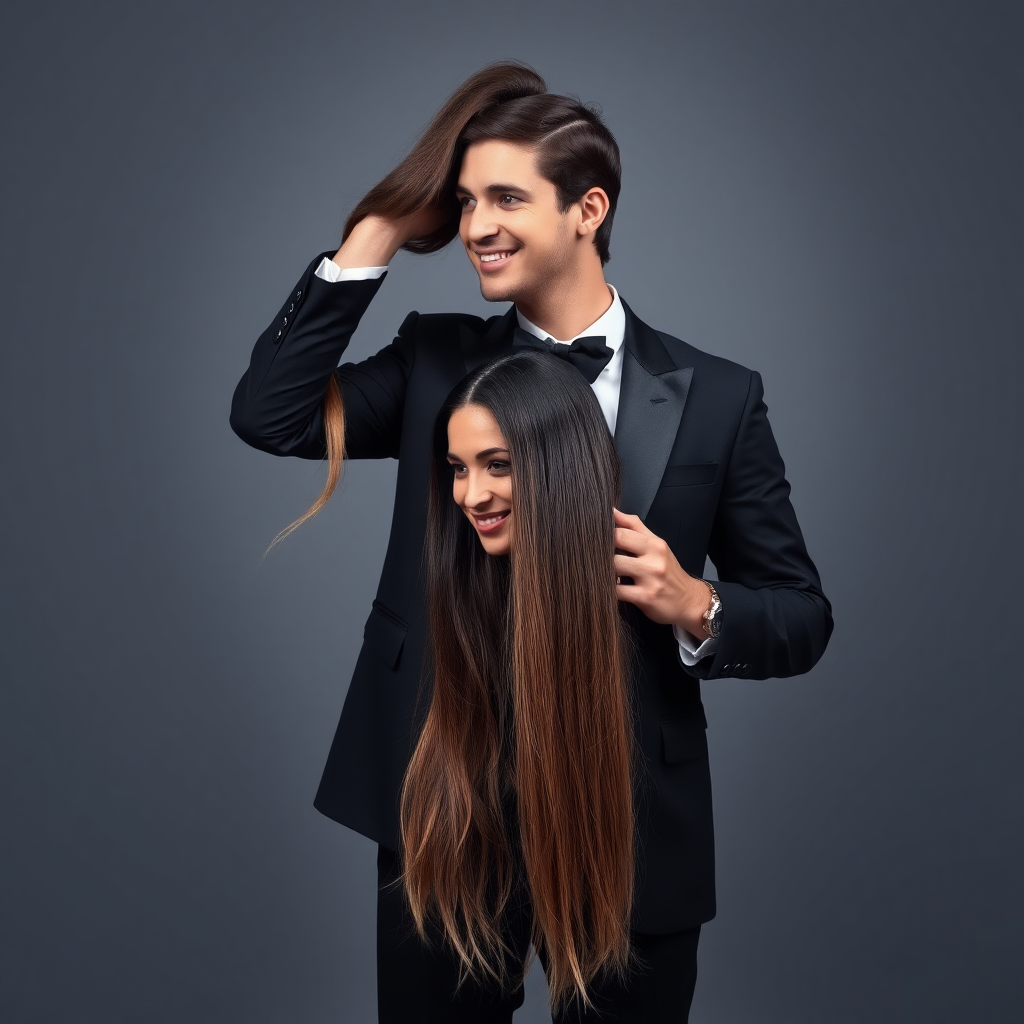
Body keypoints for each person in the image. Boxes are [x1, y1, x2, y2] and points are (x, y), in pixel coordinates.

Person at [230, 61, 833, 1022]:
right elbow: (270, 415)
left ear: (588, 209)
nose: (475, 226)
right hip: (444, 801)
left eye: (505, 197)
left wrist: (696, 603)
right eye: (464, 202)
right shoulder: (434, 361)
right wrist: (378, 230)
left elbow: (802, 616)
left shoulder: (719, 397)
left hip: (626, 816)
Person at [405, 350, 633, 1018]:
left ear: (557, 467)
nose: (471, 496)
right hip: (463, 855)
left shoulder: (627, 615)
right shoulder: (461, 597)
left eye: (497, 465)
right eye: (458, 469)